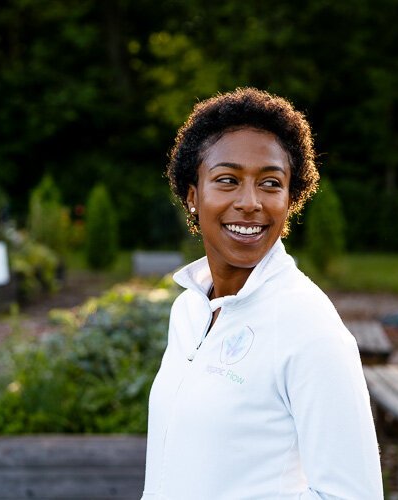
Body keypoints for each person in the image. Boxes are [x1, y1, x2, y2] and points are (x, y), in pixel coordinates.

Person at [142, 88, 383, 499]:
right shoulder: (189, 309)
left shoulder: (310, 327)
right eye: (227, 180)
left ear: (291, 199)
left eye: (270, 183)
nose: (250, 202)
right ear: (192, 195)